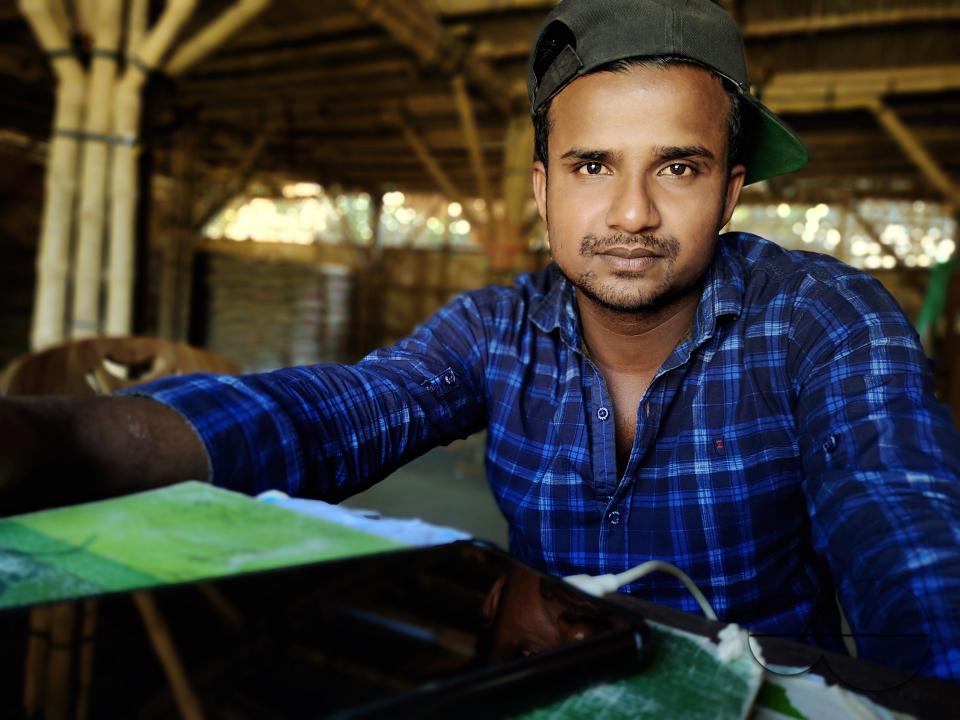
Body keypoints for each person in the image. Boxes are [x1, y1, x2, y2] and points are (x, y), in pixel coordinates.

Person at [3, 0, 959, 681]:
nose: (631, 211)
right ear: (543, 190)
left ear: (732, 190)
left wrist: (933, 677)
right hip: (536, 690)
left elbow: (903, 523)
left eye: (678, 165)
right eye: (591, 165)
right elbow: (337, 414)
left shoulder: (823, 320)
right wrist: (69, 441)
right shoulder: (496, 330)